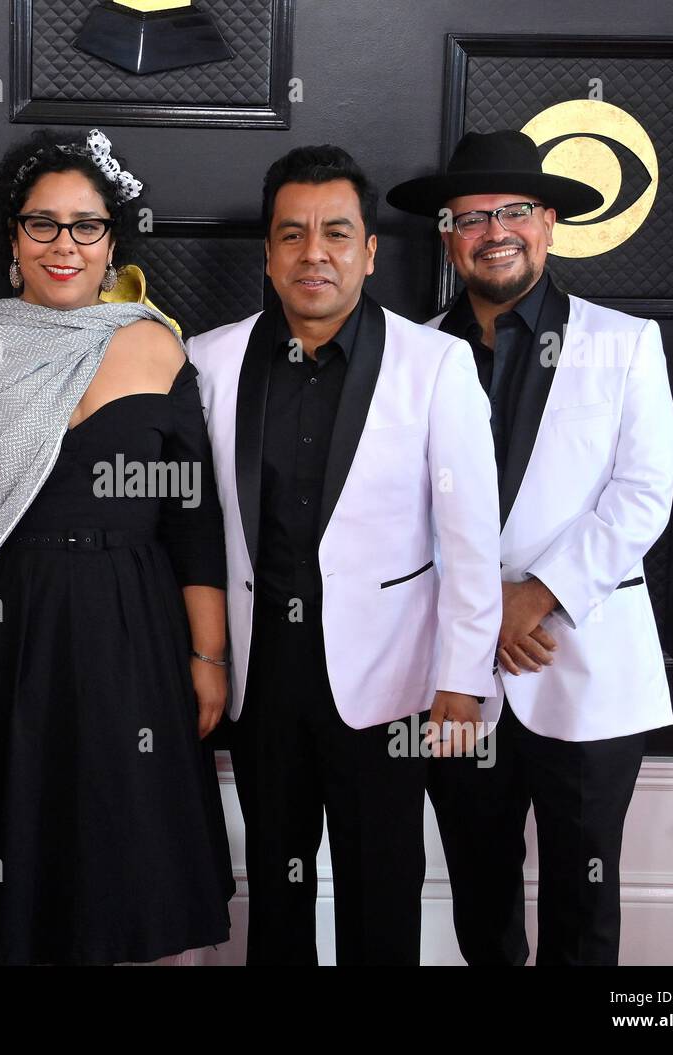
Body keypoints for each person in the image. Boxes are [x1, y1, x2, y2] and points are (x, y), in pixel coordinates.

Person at [0, 128, 235, 965]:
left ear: (112, 243)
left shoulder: (157, 346)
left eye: (86, 226)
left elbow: (191, 516)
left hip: (130, 641)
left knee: (114, 860)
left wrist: (208, 656)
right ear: (13, 240)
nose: (65, 245)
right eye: (43, 224)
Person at [186, 145, 503, 964]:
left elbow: (471, 538)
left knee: (381, 891)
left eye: (335, 233)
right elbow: (193, 526)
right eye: (292, 235)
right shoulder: (210, 360)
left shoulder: (436, 364)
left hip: (390, 681)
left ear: (368, 249)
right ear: (268, 252)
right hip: (262, 676)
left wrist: (464, 681)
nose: (313, 252)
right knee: (277, 888)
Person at [387, 129, 673, 965]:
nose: (494, 230)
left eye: (514, 211)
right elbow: (391, 514)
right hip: (455, 674)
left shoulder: (624, 345)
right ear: (447, 236)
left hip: (582, 661)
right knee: (479, 888)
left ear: (549, 223)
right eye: (470, 217)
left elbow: (643, 495)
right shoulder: (411, 355)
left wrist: (535, 593)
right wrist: (479, 613)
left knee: (585, 899)